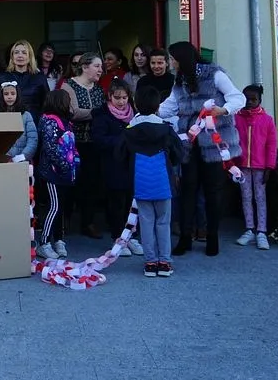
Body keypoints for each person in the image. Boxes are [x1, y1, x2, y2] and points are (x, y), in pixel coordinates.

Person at [159, 41, 244, 257]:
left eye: (171, 59)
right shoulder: (179, 82)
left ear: (181, 58)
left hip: (215, 144)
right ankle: (185, 238)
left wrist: (222, 110)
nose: (170, 63)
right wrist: (146, 110)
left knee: (213, 192)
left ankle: (212, 237)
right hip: (190, 144)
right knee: (187, 190)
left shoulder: (214, 75)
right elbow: (169, 106)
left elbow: (238, 97)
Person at [120, 86, 186, 278]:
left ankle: (150, 262)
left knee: (146, 223)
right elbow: (179, 154)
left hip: (140, 181)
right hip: (163, 181)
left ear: (135, 104)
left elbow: (120, 155)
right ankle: (164, 262)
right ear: (158, 105)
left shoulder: (130, 130)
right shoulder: (166, 129)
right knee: (163, 222)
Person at [92, 78, 144, 257]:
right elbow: (98, 140)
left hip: (132, 164)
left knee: (132, 203)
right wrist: (122, 141)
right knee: (117, 204)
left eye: (124, 98)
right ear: (109, 96)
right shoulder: (102, 115)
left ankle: (132, 237)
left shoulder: (134, 112)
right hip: (113, 165)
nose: (122, 102)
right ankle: (118, 237)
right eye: (117, 98)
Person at [60, 52, 106, 239]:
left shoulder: (98, 89)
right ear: (85, 67)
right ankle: (65, 222)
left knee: (91, 184)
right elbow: (72, 112)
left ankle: (88, 222)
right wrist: (96, 113)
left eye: (101, 67)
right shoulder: (68, 85)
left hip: (93, 142)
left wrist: (93, 113)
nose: (100, 70)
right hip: (73, 143)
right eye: (97, 66)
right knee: (71, 182)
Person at [35, 90, 79, 260]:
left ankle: (59, 239)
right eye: (68, 101)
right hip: (52, 172)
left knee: (62, 206)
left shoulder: (66, 121)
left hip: (66, 172)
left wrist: (74, 164)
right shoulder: (49, 121)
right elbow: (50, 147)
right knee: (54, 206)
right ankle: (45, 242)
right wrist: (63, 165)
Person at [234, 84, 278, 251]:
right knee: (246, 197)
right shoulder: (237, 118)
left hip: (260, 167)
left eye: (254, 99)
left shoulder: (267, 120)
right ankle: (249, 229)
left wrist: (269, 167)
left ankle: (261, 232)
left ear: (260, 100)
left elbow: (271, 145)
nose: (250, 102)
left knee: (260, 198)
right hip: (243, 165)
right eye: (247, 99)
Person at [0, 40, 49, 118]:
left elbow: (46, 102)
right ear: (12, 56)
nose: (20, 56)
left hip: (34, 122)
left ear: (30, 56)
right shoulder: (2, 77)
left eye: (24, 53)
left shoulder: (39, 77)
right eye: (16, 52)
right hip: (8, 121)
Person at [0, 81, 38, 163]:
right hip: (4, 160)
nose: (9, 96)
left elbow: (33, 139)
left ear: (18, 95)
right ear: (1, 96)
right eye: (6, 94)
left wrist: (23, 156)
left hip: (23, 160)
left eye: (13, 93)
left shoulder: (26, 115)